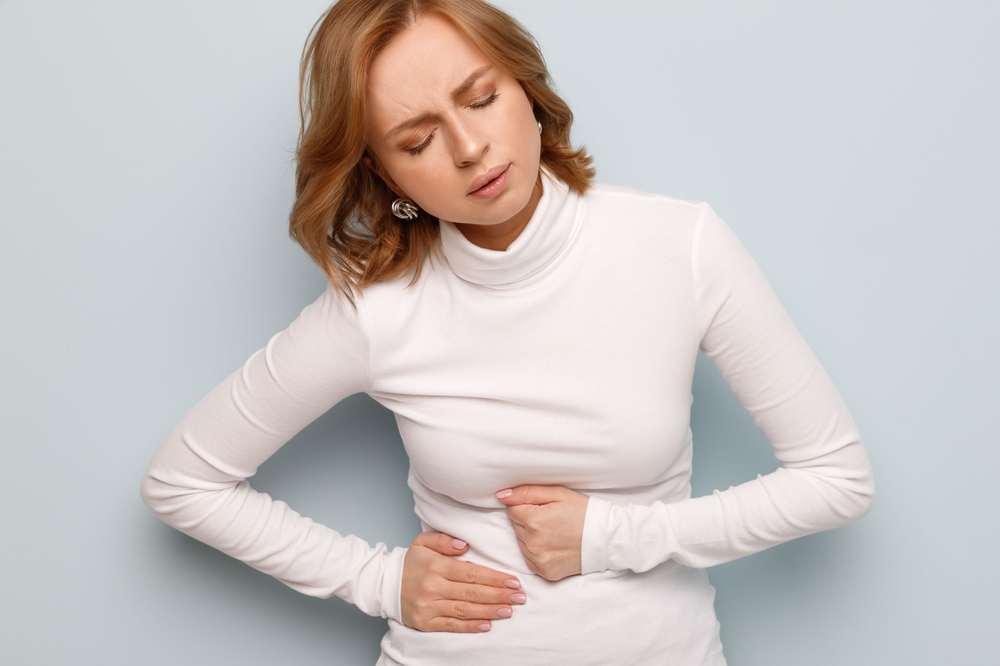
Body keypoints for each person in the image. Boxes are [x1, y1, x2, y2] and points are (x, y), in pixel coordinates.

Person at [139, 0, 876, 663]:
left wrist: (612, 538)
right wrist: (381, 580)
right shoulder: (380, 309)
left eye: (481, 98)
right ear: (386, 176)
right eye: (418, 140)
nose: (469, 148)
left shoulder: (679, 245)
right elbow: (182, 482)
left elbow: (836, 480)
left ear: (526, 88)